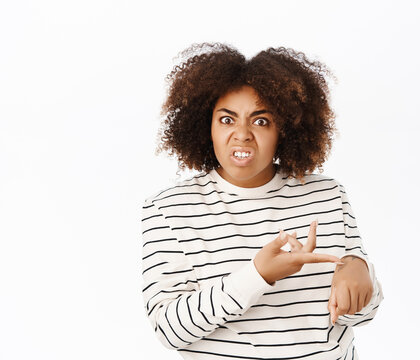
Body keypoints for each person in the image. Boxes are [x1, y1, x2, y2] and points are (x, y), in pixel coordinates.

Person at [141, 42, 384, 359]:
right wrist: (258, 275)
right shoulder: (169, 210)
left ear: (285, 130)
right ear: (206, 127)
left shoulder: (328, 195)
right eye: (227, 120)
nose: (242, 134)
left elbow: (361, 315)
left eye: (260, 121)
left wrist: (358, 273)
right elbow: (170, 330)